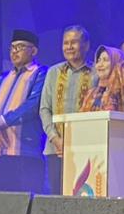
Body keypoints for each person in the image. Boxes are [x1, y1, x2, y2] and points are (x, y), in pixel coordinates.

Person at [0, 30, 47, 193]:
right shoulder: (4, 77)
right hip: (0, 151)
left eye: (20, 47)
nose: (14, 52)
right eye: (12, 48)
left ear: (33, 51)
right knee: (2, 201)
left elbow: (32, 106)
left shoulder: (40, 73)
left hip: (26, 152)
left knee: (26, 200)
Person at [39, 25, 95, 195]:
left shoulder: (96, 73)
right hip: (55, 149)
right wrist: (55, 139)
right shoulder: (53, 72)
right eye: (65, 43)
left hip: (86, 149)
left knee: (82, 196)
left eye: (74, 42)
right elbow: (44, 109)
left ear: (86, 45)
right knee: (57, 199)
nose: (69, 47)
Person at [81, 45, 124, 112]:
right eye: (98, 60)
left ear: (116, 63)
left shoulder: (123, 93)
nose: (100, 65)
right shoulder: (91, 93)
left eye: (105, 60)